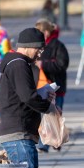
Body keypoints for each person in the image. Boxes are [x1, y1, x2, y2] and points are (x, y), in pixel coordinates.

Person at [0, 27, 58, 168]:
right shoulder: (19, 64)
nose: (40, 54)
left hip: (17, 132)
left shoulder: (15, 64)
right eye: (39, 49)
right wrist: (46, 105)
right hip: (19, 133)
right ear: (29, 47)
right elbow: (27, 97)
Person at [34, 19, 70, 153]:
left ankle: (54, 140)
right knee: (44, 115)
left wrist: (43, 64)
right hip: (41, 86)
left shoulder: (58, 45)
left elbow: (62, 64)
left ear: (46, 32)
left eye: (39, 32)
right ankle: (47, 142)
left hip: (56, 87)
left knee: (55, 114)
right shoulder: (38, 46)